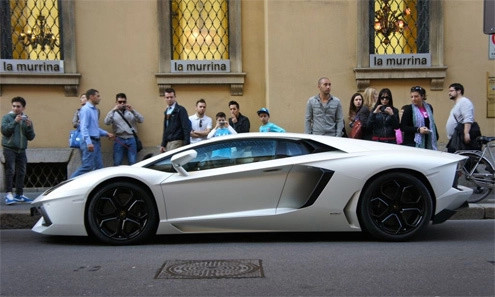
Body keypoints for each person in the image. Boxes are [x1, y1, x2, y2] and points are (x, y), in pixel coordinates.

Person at [70, 89, 115, 178]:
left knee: (99, 168)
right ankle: (68, 183)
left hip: (96, 142)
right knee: (87, 166)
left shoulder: (94, 110)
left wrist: (106, 133)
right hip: (90, 142)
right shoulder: (86, 109)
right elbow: (84, 127)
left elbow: (94, 128)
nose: (99, 98)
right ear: (91, 97)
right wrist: (88, 142)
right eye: (97, 96)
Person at [1, 96, 36, 205]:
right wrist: (15, 122)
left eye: (18, 106)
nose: (16, 108)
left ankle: (19, 194)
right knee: (10, 171)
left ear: (23, 108)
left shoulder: (26, 119)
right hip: (9, 148)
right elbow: (5, 131)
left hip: (21, 149)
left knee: (22, 172)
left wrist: (29, 127)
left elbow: (31, 137)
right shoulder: (7, 117)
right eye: (14, 106)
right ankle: (8, 194)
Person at [104, 93, 144, 165]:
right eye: (120, 102)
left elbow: (141, 120)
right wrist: (113, 110)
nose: (122, 103)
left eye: (124, 102)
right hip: (119, 138)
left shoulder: (130, 111)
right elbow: (106, 122)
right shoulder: (113, 112)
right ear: (116, 102)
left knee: (132, 162)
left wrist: (132, 111)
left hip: (131, 138)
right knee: (117, 161)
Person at [446, 83, 478, 152]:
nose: (449, 93)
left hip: (460, 138)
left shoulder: (464, 102)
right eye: (449, 91)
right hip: (456, 137)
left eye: (451, 91)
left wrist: (466, 133)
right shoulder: (458, 103)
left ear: (459, 91)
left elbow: (468, 118)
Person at [160, 88, 191, 153]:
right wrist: (163, 144)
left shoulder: (180, 109)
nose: (169, 99)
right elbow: (166, 129)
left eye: (171, 97)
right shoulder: (167, 111)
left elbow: (186, 127)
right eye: (167, 97)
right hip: (169, 142)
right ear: (164, 98)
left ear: (175, 97)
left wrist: (186, 144)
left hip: (177, 141)